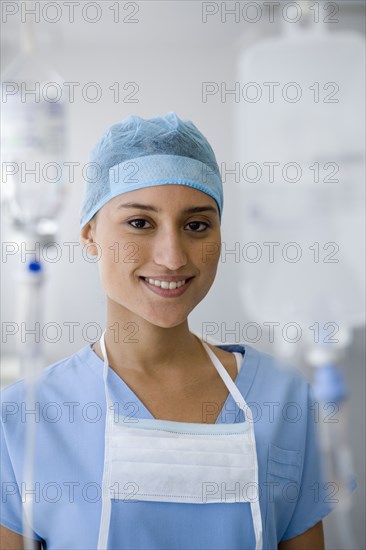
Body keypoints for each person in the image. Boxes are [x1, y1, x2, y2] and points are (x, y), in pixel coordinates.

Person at [1, 113, 333, 549]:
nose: (173, 257)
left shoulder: (283, 396)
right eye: (140, 223)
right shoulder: (27, 413)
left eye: (196, 225)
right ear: (89, 234)